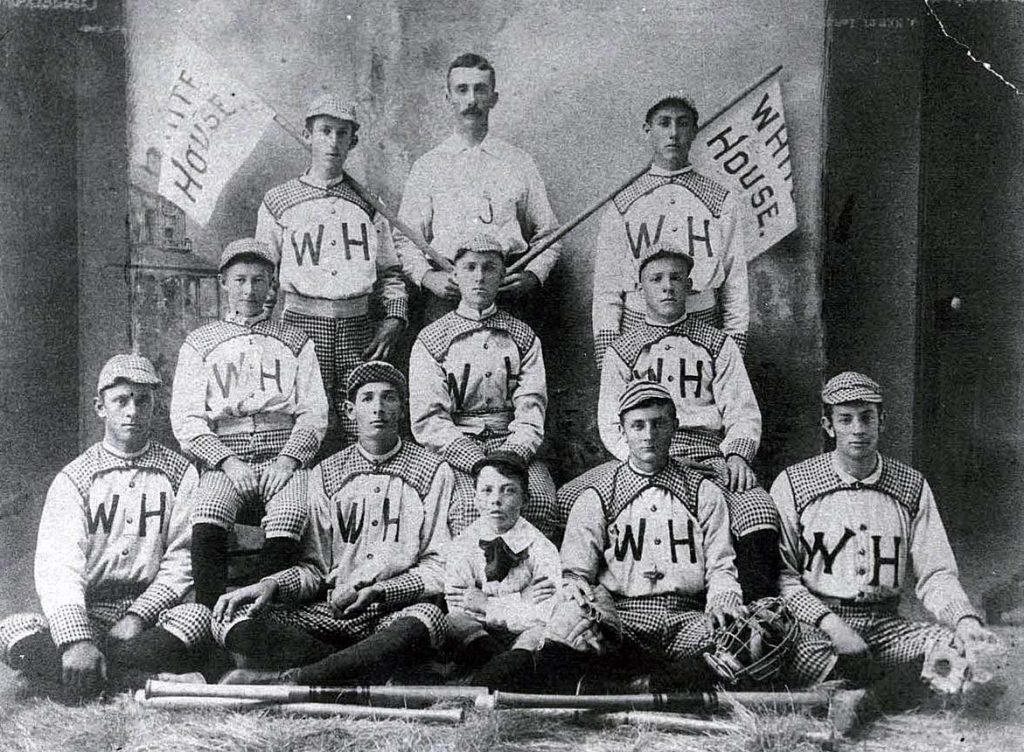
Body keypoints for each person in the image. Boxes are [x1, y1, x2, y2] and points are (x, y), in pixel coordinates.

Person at [475, 380, 745, 691]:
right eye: (638, 425)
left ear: (675, 425)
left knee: (746, 639)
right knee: (567, 629)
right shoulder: (598, 494)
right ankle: (666, 681)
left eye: (658, 424)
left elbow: (721, 566)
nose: (648, 435)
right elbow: (575, 571)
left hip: (688, 615)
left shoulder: (702, 491)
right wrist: (576, 590)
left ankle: (639, 683)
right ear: (622, 430)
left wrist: (723, 602)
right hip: (622, 618)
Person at [213, 361, 453, 686]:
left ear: (403, 408)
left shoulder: (434, 470)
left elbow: (437, 567)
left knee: (429, 621)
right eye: (367, 398)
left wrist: (381, 591)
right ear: (349, 411)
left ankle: (297, 678)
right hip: (333, 614)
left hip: (392, 613)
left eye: (389, 398)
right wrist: (269, 584)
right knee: (233, 619)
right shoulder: (325, 473)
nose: (378, 408)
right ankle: (361, 669)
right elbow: (314, 568)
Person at [772, 371, 1000, 688]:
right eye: (846, 419)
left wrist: (964, 619)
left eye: (867, 418)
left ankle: (873, 690)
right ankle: (888, 688)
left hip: (886, 624)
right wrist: (834, 626)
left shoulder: (911, 485)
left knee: (957, 654)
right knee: (807, 661)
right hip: (819, 625)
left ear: (883, 420)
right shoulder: (795, 483)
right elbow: (783, 576)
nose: (858, 430)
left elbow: (935, 573)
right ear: (828, 426)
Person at [0, 354, 210, 696]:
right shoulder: (75, 477)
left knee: (198, 618)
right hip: (91, 611)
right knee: (10, 631)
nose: (133, 411)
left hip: (149, 616)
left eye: (143, 401)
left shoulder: (180, 471)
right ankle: (142, 682)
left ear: (155, 406)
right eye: (121, 400)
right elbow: (59, 566)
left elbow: (182, 558)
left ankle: (64, 681)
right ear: (101, 407)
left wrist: (138, 616)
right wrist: (77, 640)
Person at [597, 242, 778, 601]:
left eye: (676, 278)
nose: (667, 286)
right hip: (643, 455)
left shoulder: (716, 343)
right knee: (573, 500)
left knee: (758, 508)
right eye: (656, 278)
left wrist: (737, 455)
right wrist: (639, 459)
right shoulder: (623, 349)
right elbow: (609, 422)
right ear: (640, 288)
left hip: (707, 455)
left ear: (690, 285)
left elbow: (742, 411)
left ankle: (757, 612)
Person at [170, 238, 328, 609]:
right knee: (207, 509)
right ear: (223, 282)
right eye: (240, 279)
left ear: (272, 284)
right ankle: (209, 615)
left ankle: (263, 615)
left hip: (282, 452)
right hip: (227, 455)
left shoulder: (294, 340)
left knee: (290, 513)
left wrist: (289, 460)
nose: (249, 290)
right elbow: (187, 417)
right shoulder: (200, 342)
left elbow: (314, 411)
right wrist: (227, 461)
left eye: (259, 280)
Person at [255, 94, 409, 446]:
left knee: (363, 425)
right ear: (307, 135)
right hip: (300, 324)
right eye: (325, 131)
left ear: (353, 141)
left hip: (358, 327)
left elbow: (391, 273)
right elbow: (266, 276)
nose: (333, 141)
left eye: (342, 133)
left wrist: (394, 319)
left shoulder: (369, 204)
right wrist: (262, 335)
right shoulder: (278, 201)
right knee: (305, 424)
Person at [408, 233, 557, 539]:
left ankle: (530, 581)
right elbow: (430, 420)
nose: (479, 277)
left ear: (503, 276)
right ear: (454, 274)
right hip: (458, 449)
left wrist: (512, 455)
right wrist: (477, 461)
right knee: (466, 508)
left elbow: (531, 407)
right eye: (470, 267)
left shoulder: (523, 336)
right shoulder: (432, 339)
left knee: (541, 502)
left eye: (489, 268)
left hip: (512, 447)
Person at [395, 52, 562, 322]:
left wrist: (533, 276)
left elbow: (550, 236)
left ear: (494, 97)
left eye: (480, 89)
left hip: (507, 296)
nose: (471, 100)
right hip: (447, 296)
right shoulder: (427, 166)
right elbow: (405, 239)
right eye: (462, 90)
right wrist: (427, 277)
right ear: (448, 97)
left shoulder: (519, 162)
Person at [591, 93, 748, 366]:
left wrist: (733, 349)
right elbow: (607, 288)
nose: (673, 133)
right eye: (664, 123)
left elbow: (736, 283)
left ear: (695, 131)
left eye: (683, 123)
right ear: (647, 129)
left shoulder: (720, 200)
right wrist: (608, 358)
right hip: (637, 326)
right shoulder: (624, 202)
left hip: (704, 323)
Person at [443, 451, 561, 674]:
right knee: (454, 621)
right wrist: (521, 601)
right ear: (476, 498)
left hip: (523, 634)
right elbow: (459, 603)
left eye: (508, 491)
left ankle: (498, 673)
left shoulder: (541, 547)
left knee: (539, 633)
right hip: (479, 633)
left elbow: (545, 612)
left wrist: (488, 605)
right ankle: (502, 670)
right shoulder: (463, 544)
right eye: (487, 491)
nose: (496, 500)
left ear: (524, 499)